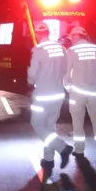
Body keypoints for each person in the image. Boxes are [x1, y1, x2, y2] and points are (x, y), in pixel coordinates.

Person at [28, 22, 73, 173]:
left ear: (37, 34)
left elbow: (32, 74)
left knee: (38, 125)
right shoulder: (61, 48)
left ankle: (63, 147)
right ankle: (48, 161)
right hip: (58, 93)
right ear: (48, 32)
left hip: (42, 95)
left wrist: (30, 80)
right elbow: (65, 70)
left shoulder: (38, 50)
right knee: (49, 126)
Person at [63, 26, 96, 161]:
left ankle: (79, 151)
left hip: (77, 93)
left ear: (77, 36)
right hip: (94, 92)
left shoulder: (71, 51)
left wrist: (69, 88)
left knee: (77, 123)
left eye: (72, 37)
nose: (71, 40)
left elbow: (65, 73)